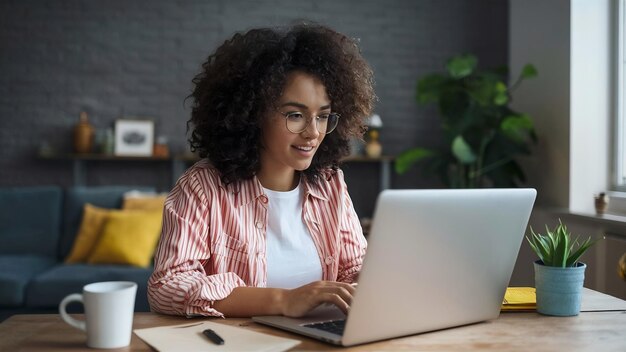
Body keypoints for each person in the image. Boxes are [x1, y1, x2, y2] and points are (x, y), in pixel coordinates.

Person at [147, 23, 376, 318]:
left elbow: (352, 268)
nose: (313, 133)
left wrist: (368, 283)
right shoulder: (202, 187)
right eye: (295, 115)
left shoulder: (330, 184)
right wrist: (283, 300)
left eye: (322, 116)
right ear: (253, 113)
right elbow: (167, 287)